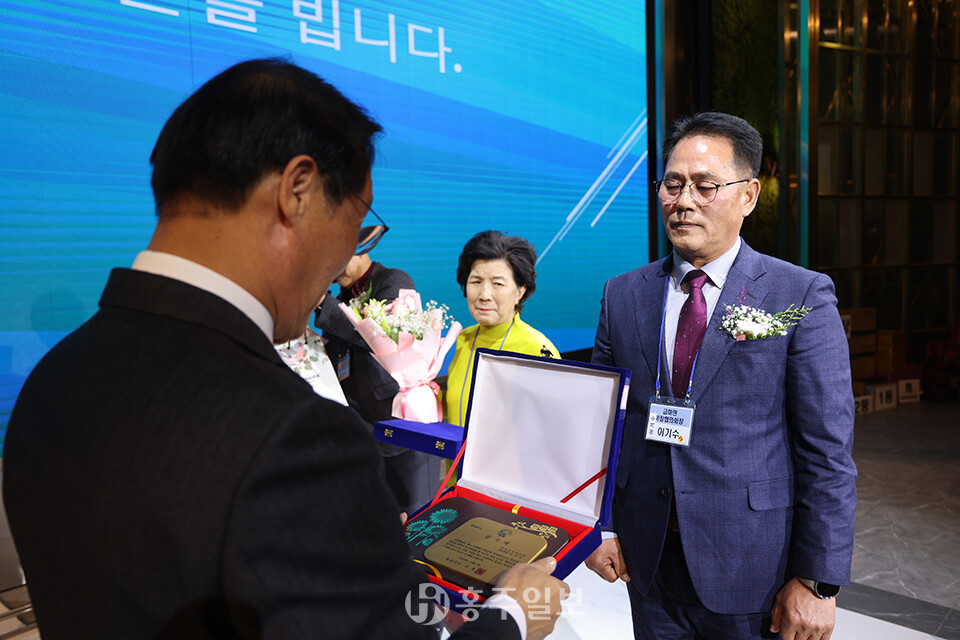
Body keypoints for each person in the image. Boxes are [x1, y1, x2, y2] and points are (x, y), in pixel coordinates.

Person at [3, 58, 567, 640]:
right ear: (297, 191)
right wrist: (514, 614)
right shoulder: (297, 438)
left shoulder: (52, 383)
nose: (350, 252)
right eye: (357, 221)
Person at [586, 112, 857, 640]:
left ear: (748, 195)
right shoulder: (623, 293)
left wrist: (818, 582)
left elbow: (827, 450)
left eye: (704, 186)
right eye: (672, 184)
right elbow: (601, 425)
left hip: (754, 566)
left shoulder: (799, 294)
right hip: (648, 559)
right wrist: (600, 527)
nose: (683, 201)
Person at [314, 249, 440, 515]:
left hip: (401, 423)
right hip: (362, 430)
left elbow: (380, 336)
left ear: (360, 248)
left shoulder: (394, 281)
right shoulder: (341, 298)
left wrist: (321, 302)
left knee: (417, 515)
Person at [444, 230, 560, 427]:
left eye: (497, 283)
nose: (484, 295)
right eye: (476, 282)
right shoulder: (464, 338)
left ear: (520, 291)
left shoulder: (537, 349)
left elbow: (553, 423)